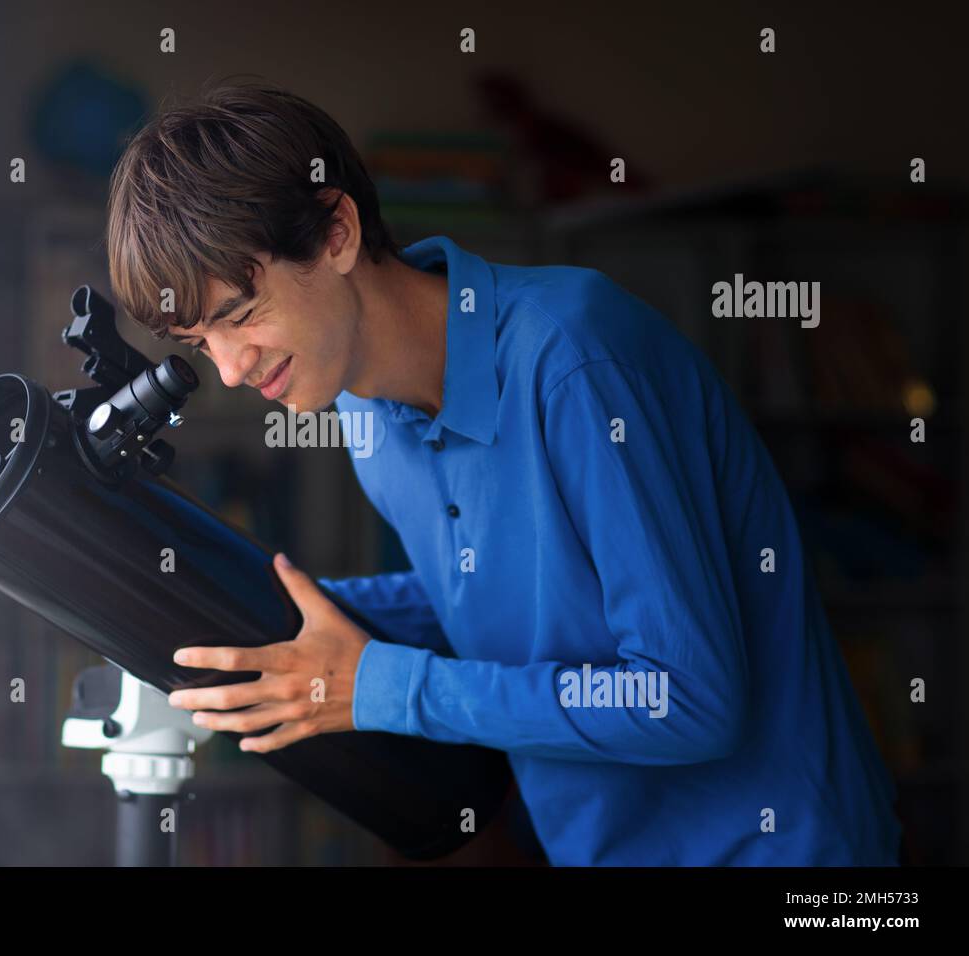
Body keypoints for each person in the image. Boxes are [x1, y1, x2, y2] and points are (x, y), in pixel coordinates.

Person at [105, 80, 902, 865]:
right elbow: (507, 589)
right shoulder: (359, 409)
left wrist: (385, 688)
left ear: (336, 231)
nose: (233, 371)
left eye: (241, 316)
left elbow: (687, 698)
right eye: (199, 342)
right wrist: (257, 615)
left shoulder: (576, 362)